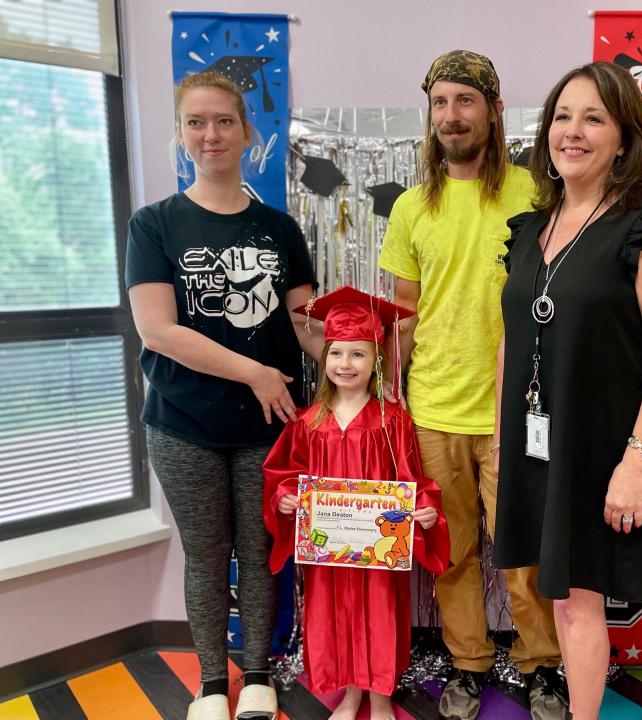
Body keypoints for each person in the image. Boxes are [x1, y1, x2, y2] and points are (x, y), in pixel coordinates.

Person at [493, 61, 642, 720]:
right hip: (536, 442)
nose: (573, 131)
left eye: (594, 118)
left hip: (601, 444)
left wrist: (636, 463)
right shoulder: (532, 230)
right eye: (562, 116)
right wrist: (506, 443)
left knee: (579, 596)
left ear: (624, 136)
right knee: (560, 594)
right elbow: (511, 338)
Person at [125, 71, 323, 720]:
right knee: (207, 557)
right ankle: (213, 682)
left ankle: (258, 674)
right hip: (183, 424)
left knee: (262, 553)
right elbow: (158, 331)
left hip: (270, 424)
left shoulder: (279, 229)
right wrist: (256, 372)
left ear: (247, 134)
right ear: (181, 135)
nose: (211, 135)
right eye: (196, 123)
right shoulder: (154, 225)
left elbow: (305, 321)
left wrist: (366, 366)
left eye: (224, 122)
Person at [378, 50, 566, 720]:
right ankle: (468, 664)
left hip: (516, 412)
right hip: (433, 409)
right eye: (440, 103)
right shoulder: (410, 208)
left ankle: (542, 666)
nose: (452, 116)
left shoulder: (535, 195)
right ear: (429, 115)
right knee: (451, 554)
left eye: (465, 101)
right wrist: (385, 396)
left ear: (492, 108)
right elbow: (402, 315)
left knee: (522, 554)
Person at [261, 287, 451, 720]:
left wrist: (422, 508)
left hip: (379, 546)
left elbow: (410, 477)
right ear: (324, 357)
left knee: (381, 614)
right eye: (337, 354)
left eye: (359, 355)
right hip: (329, 549)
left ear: (377, 360)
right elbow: (284, 473)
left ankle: (380, 695)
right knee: (335, 615)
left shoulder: (392, 420)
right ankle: (350, 695)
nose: (346, 365)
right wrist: (285, 497)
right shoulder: (309, 422)